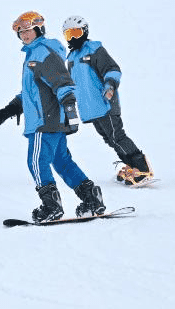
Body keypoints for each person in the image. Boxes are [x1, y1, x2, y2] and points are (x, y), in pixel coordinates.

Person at [0, 12, 105, 222]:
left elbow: (62, 83)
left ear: (38, 29)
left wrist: (70, 111)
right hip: (53, 120)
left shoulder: (41, 53)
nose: (24, 35)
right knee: (62, 161)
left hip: (44, 121)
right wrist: (12, 108)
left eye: (27, 30)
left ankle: (51, 206)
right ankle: (91, 198)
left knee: (36, 162)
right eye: (21, 32)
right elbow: (34, 91)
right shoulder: (37, 54)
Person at [62, 16, 153, 185]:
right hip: (91, 109)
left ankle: (142, 168)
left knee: (117, 136)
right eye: (69, 35)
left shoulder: (94, 50)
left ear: (85, 32)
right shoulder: (72, 58)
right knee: (110, 139)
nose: (73, 38)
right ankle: (131, 167)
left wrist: (110, 86)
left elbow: (112, 69)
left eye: (76, 32)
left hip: (105, 103)